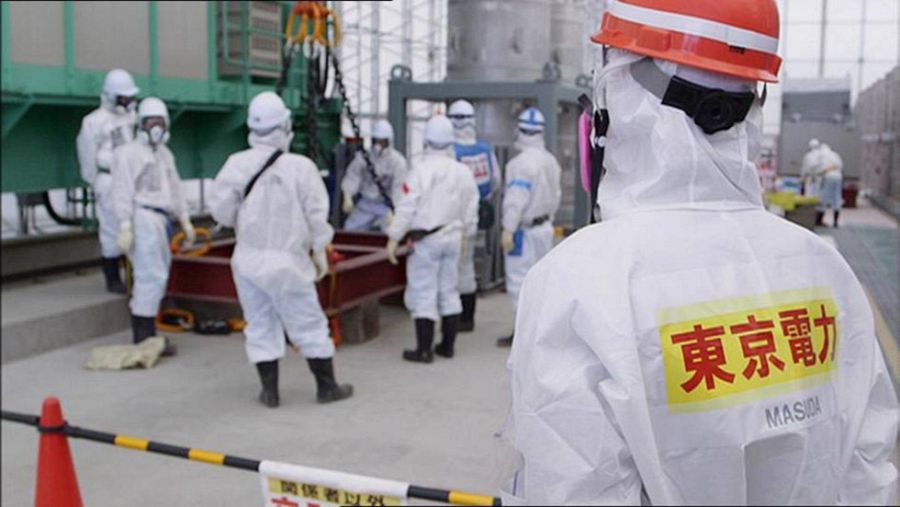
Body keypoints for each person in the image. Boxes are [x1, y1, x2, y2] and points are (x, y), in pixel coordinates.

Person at [504, 1, 898, 505]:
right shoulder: (826, 268)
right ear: (751, 103)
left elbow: (572, 488)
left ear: (619, 95)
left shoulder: (578, 279)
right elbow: (868, 474)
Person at [210, 91, 352, 408]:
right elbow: (317, 214)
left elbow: (222, 213)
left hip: (248, 260)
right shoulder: (300, 167)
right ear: (285, 126)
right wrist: (320, 248)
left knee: (260, 324)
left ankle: (270, 392)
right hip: (288, 262)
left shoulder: (236, 164)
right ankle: (327, 387)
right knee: (309, 323)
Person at [385, 115, 478, 363]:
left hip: (426, 241)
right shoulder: (463, 172)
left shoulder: (420, 171)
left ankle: (424, 350)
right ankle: (447, 346)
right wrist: (467, 233)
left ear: (426, 140)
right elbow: (471, 206)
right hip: (454, 237)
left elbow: (407, 207)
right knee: (449, 290)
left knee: (423, 292)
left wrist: (394, 237)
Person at [113, 97, 192, 356]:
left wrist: (185, 219)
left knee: (158, 276)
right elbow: (122, 191)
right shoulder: (128, 154)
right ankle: (143, 338)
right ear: (141, 124)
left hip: (161, 220)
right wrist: (125, 224)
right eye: (151, 122)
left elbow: (176, 188)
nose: (156, 127)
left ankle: (149, 336)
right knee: (149, 277)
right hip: (143, 219)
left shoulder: (165, 154)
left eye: (161, 122)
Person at [497, 107, 561, 347]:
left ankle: (522, 337)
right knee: (542, 283)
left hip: (523, 232)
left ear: (520, 131)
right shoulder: (550, 161)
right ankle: (539, 333)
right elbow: (556, 195)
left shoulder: (520, 164)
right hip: (544, 228)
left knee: (519, 282)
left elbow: (516, 198)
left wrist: (508, 228)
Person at [76, 69, 139, 294]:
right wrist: (95, 182)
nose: (128, 102)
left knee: (135, 226)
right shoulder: (93, 121)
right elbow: (87, 154)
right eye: (124, 98)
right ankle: (112, 277)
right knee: (112, 229)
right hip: (109, 179)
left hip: (131, 178)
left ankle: (134, 272)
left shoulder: (133, 118)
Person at [447, 99, 501, 332]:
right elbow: (496, 181)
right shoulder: (485, 149)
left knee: (454, 269)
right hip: (478, 214)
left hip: (454, 218)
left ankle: (456, 319)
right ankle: (467, 318)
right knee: (466, 265)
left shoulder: (451, 152)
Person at [341, 119, 408, 232]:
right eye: (376, 140)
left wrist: (396, 211)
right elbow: (353, 175)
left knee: (394, 232)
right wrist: (347, 196)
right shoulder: (364, 157)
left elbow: (399, 188)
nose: (379, 145)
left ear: (389, 141)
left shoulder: (398, 162)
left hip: (386, 206)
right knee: (350, 230)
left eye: (382, 141)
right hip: (366, 203)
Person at [816, 143, 844, 227]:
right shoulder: (835, 155)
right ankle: (835, 222)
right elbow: (840, 165)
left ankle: (819, 220)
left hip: (828, 177)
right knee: (836, 198)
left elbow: (820, 169)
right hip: (838, 177)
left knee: (823, 198)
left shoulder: (822, 156)